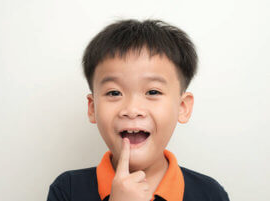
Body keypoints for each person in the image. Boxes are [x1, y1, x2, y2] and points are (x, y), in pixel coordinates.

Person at [46, 19, 230, 201]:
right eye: (114, 93)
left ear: (182, 107)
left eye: (152, 91)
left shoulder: (210, 194)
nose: (132, 110)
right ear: (93, 108)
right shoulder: (67, 190)